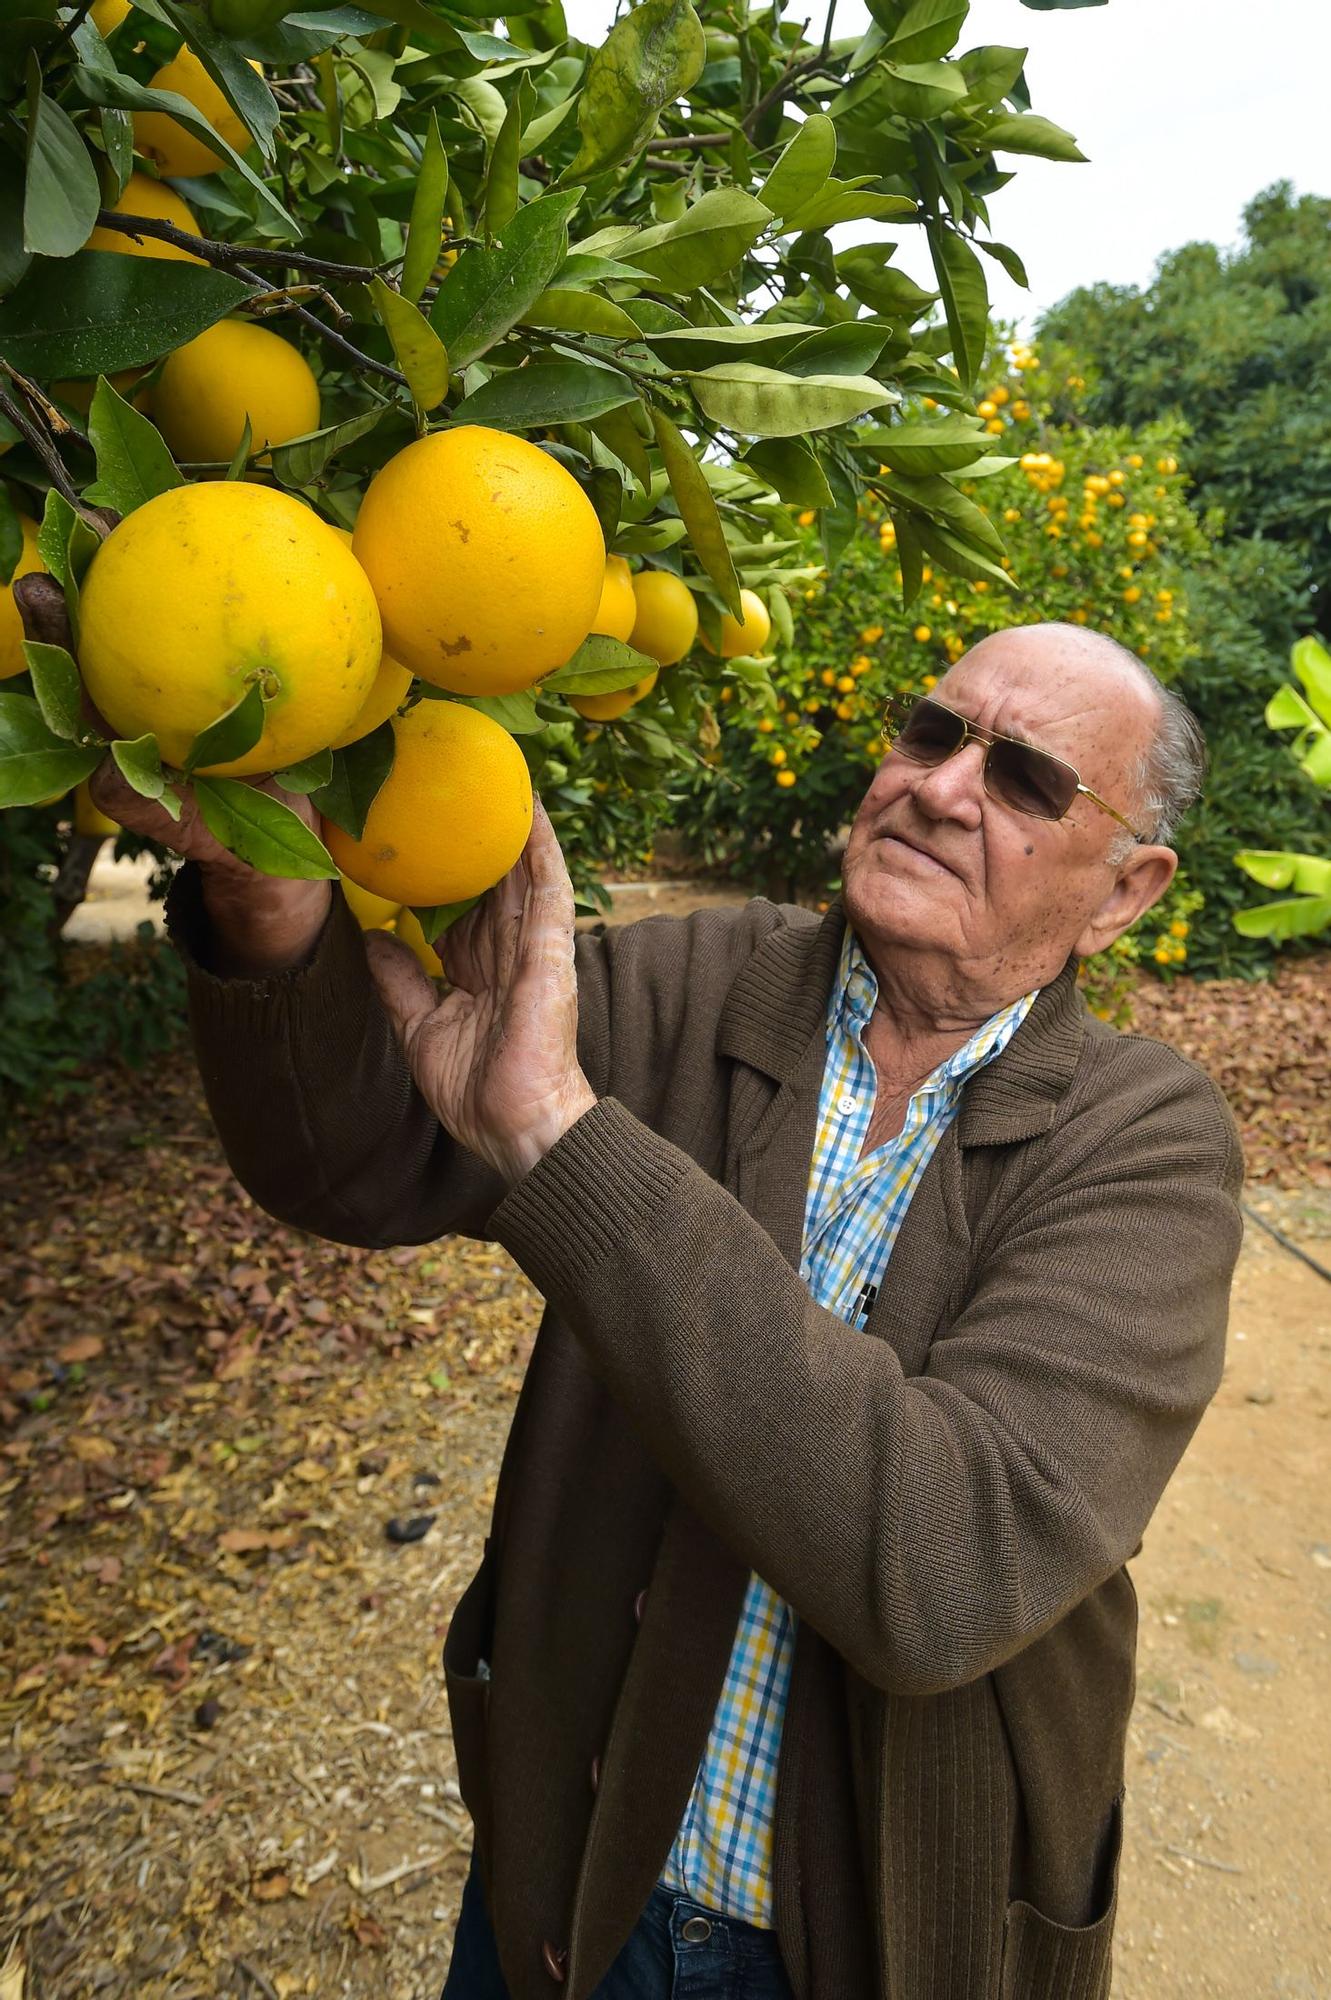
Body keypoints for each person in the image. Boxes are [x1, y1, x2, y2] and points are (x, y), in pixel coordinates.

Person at [82, 619, 1243, 2000]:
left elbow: (944, 1567)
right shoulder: (695, 986)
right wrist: (263, 894)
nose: (940, 787)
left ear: (1125, 891)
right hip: (579, 1876)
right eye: (930, 734)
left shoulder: (1144, 1142)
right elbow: (356, 1160)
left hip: (867, 1945)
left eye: (1027, 781)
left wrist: (566, 1140)